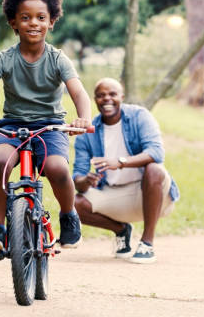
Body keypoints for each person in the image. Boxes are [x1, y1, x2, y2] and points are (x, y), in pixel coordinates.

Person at [0, 0, 91, 251]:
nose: (34, 23)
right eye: (25, 17)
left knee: (56, 168)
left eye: (41, 17)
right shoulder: (4, 58)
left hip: (50, 126)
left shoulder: (57, 59)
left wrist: (83, 118)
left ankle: (69, 214)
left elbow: (78, 92)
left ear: (51, 21)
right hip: (13, 126)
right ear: (13, 23)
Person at [72, 78, 179, 264]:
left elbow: (156, 152)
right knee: (72, 204)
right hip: (115, 194)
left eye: (112, 94)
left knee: (154, 169)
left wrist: (120, 162)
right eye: (101, 95)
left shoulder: (139, 116)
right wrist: (86, 180)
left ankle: (147, 243)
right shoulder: (89, 132)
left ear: (122, 96)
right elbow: (78, 177)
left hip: (150, 191)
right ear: (94, 99)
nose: (107, 99)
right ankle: (121, 230)